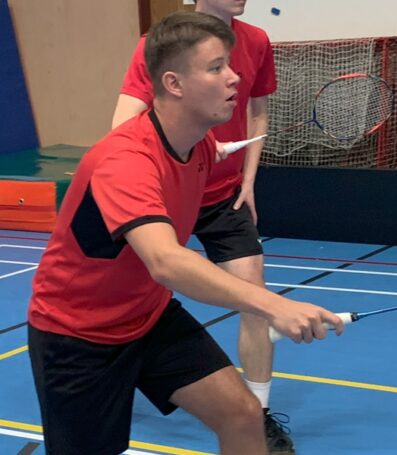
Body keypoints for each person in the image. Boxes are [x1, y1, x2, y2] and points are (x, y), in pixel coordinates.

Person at [28, 12, 343, 455]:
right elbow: (166, 261)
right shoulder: (124, 160)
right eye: (216, 68)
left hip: (149, 316)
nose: (234, 78)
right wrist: (274, 305)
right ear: (173, 83)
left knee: (243, 414)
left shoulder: (198, 146)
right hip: (78, 335)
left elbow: (211, 156)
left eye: (229, 65)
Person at [111, 1, 295, 453]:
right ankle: (115, 371)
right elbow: (123, 123)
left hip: (224, 196)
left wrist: (249, 178)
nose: (229, 77)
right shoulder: (161, 46)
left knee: (254, 295)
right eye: (216, 67)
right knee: (134, 297)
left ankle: (258, 413)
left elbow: (257, 111)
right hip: (168, 191)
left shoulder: (257, 41)